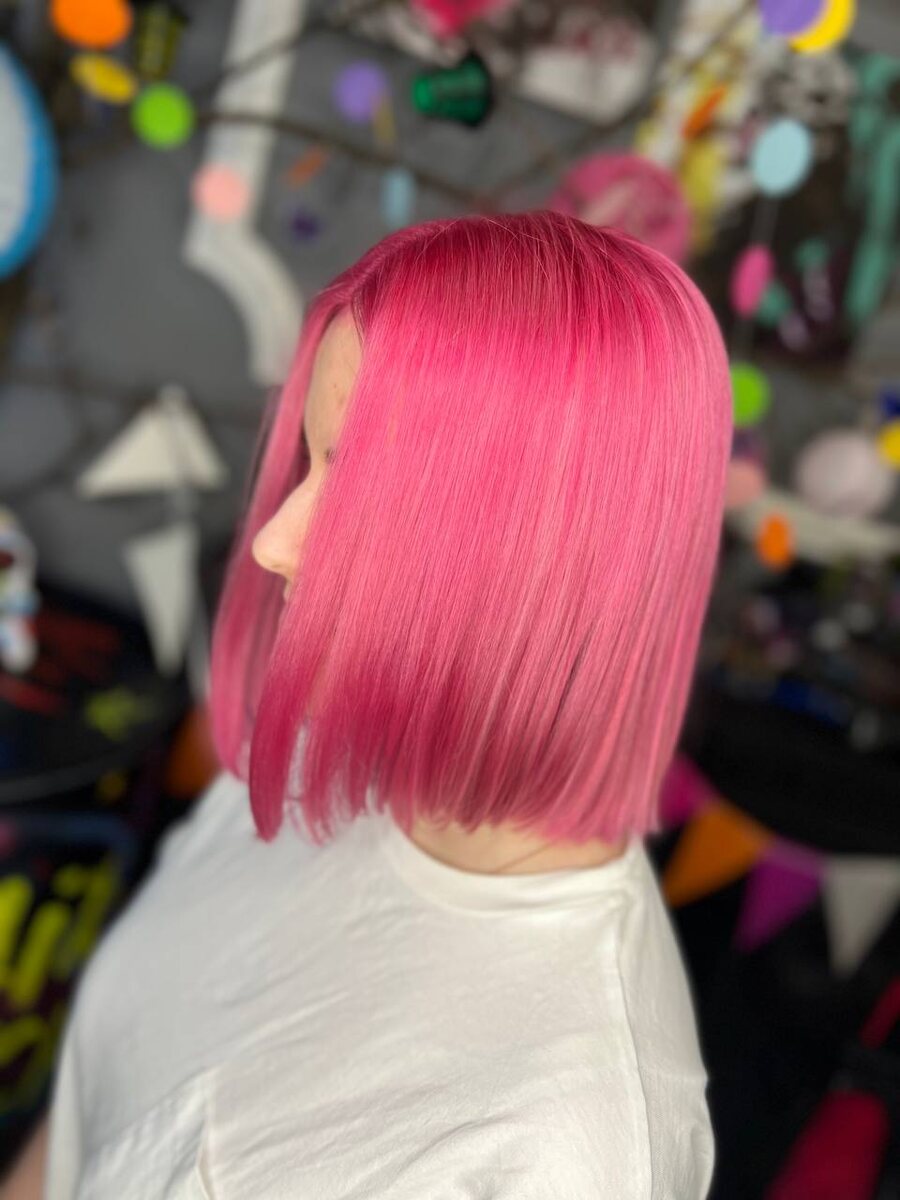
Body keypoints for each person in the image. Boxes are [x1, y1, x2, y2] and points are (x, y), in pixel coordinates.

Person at [10, 212, 732, 1199]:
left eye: (357, 491)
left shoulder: (569, 1151)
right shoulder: (312, 754)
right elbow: (92, 1115)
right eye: (311, 465)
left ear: (537, 550)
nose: (272, 543)